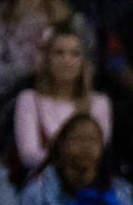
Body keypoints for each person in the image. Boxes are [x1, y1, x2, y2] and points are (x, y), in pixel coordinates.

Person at [14, 28, 113, 177]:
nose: (67, 60)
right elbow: (28, 156)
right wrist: (72, 160)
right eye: (59, 53)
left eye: (75, 53)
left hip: (88, 181)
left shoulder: (99, 102)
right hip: (44, 182)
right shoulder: (29, 99)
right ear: (47, 60)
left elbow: (99, 152)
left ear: (84, 62)